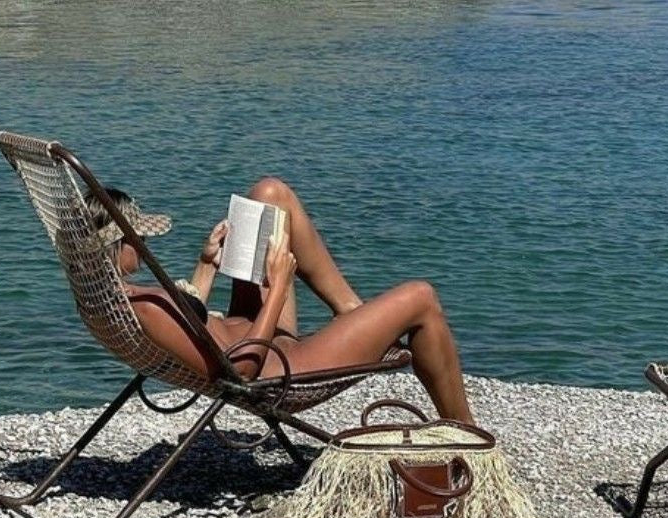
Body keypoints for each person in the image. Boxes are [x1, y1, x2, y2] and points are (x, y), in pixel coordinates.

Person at [89, 177, 475, 424]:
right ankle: (468, 437)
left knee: (269, 195)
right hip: (280, 367)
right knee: (422, 297)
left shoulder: (119, 298)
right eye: (137, 237)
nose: (143, 243)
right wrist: (276, 287)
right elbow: (241, 374)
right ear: (119, 245)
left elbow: (188, 325)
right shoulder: (146, 307)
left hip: (251, 338)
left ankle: (350, 310)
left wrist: (206, 266)